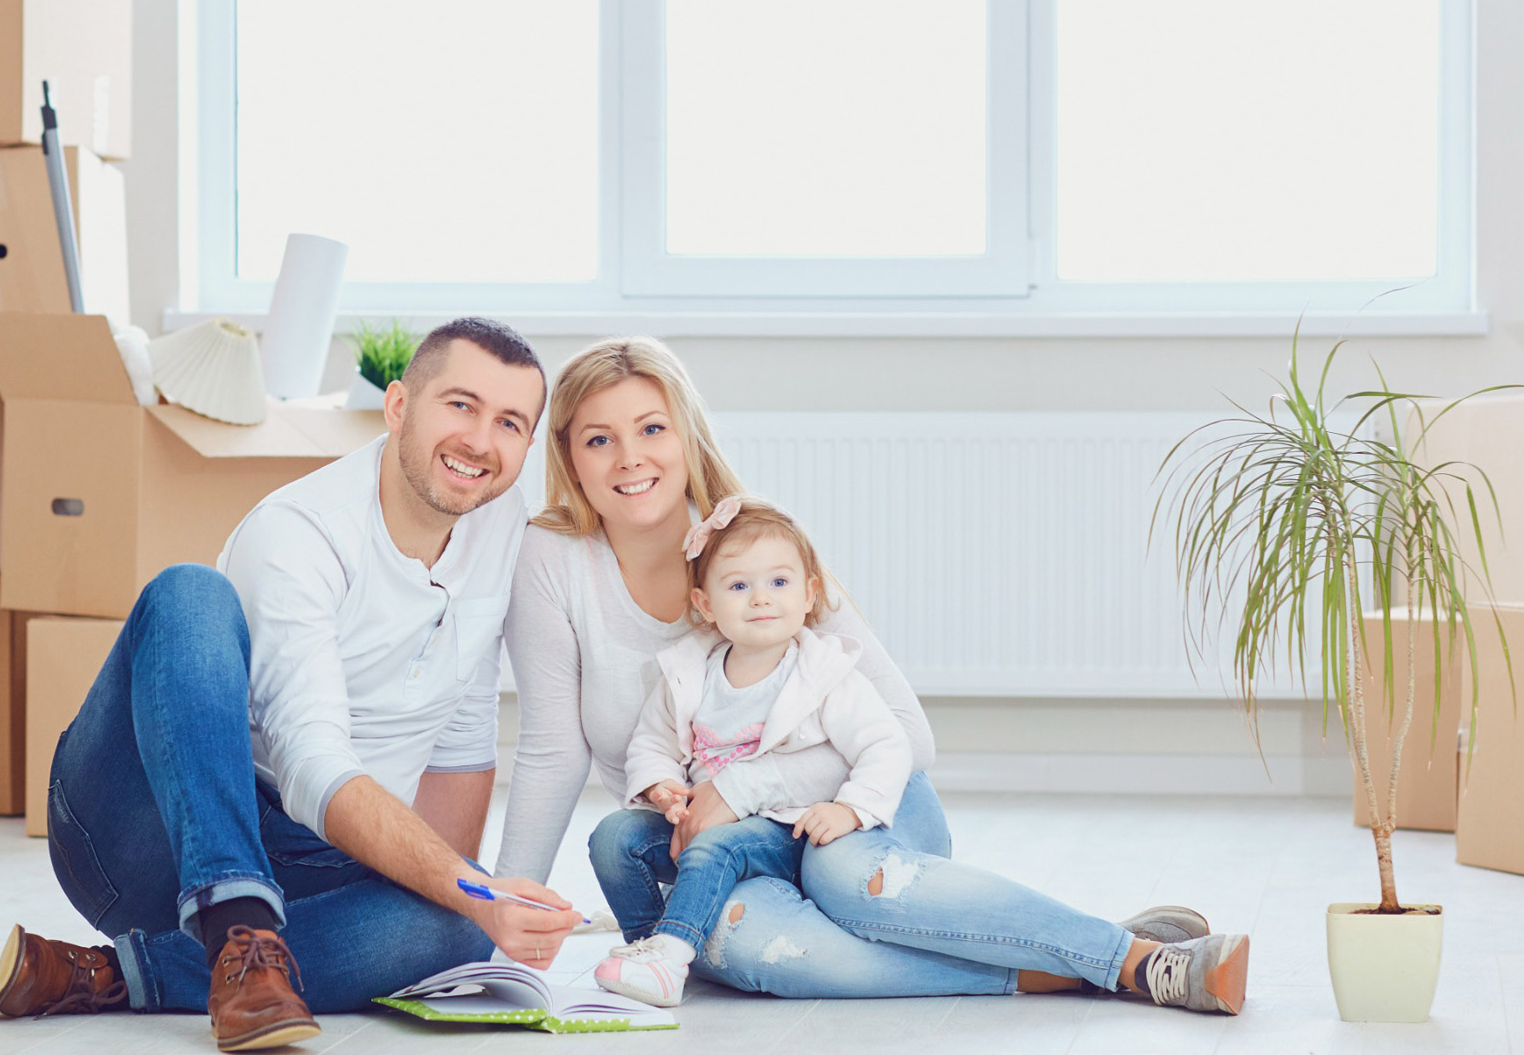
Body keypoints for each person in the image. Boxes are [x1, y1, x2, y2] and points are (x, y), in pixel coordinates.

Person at [500, 337, 1250, 1014]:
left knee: (843, 879)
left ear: (687, 436)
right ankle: (1065, 960)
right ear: (568, 455)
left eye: (651, 429)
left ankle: (1135, 961)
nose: (629, 458)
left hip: (861, 817)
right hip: (726, 859)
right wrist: (497, 924)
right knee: (747, 949)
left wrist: (745, 786)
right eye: (599, 439)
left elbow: (910, 738)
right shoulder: (552, 560)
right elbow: (552, 753)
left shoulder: (759, 551)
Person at [0, 317, 582, 1051]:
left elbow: (462, 732)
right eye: (461, 405)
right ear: (399, 406)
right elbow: (310, 763)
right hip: (147, 831)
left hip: (308, 863)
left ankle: (119, 973)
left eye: (510, 423)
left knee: (461, 917)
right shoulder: (300, 531)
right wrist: (465, 887)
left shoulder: (500, 522)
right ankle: (237, 922)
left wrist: (461, 896)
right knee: (189, 594)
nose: (481, 441)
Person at [594, 495, 914, 1007]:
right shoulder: (689, 673)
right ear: (705, 605)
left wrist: (851, 808)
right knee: (613, 838)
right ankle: (651, 946)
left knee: (715, 848)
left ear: (809, 594)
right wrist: (661, 786)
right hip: (699, 822)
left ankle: (670, 955)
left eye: (779, 582)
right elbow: (652, 740)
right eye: (739, 586)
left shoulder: (823, 674)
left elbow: (887, 743)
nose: (761, 598)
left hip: (782, 831)